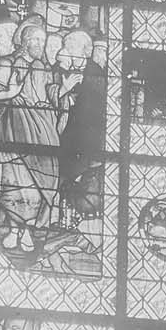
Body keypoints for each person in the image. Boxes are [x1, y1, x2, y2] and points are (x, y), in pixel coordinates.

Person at [0, 18, 61, 252]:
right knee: (13, 180)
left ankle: (27, 229)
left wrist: (64, 91)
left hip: (43, 131)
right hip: (12, 130)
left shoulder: (44, 68)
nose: (40, 44)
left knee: (39, 182)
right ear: (24, 41)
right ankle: (15, 228)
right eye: (36, 39)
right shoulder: (6, 63)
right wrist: (10, 93)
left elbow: (51, 96)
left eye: (43, 40)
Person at [57, 29, 107, 218]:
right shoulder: (69, 71)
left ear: (84, 51)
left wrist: (71, 99)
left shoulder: (95, 73)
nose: (66, 50)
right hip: (74, 134)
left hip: (86, 137)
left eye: (71, 47)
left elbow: (93, 108)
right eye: (66, 47)